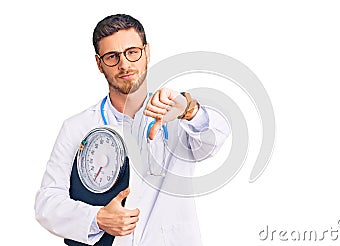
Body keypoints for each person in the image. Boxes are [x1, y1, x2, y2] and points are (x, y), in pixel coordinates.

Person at [34, 14, 230, 246]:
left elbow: (214, 139)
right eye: (112, 56)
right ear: (99, 63)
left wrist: (189, 109)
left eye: (132, 52)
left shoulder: (177, 116)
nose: (124, 64)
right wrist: (96, 219)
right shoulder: (77, 127)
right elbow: (46, 202)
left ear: (147, 52)